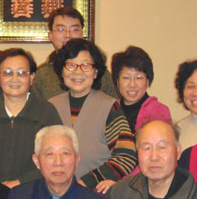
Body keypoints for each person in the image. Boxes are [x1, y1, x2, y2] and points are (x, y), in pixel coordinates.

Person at [49, 38, 137, 190]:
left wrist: (86, 182)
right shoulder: (50, 107)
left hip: (94, 194)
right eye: (71, 65)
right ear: (62, 71)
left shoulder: (109, 107)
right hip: (53, 192)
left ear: (96, 72)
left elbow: (126, 156)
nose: (78, 72)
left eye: (86, 65)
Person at [0, 48, 61, 188]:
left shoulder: (46, 112)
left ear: (32, 78)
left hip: (35, 190)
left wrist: (19, 183)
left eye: (22, 73)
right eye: (8, 73)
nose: (15, 79)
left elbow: (56, 159)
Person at [31, 6, 117, 101]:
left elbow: (113, 104)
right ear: (50, 35)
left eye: (74, 30)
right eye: (61, 29)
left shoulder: (99, 71)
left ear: (81, 34)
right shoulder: (41, 75)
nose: (68, 35)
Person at [110, 45, 171, 134]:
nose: (132, 84)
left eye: (138, 78)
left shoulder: (158, 111)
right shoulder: (111, 110)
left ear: (148, 81)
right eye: (126, 77)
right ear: (117, 81)